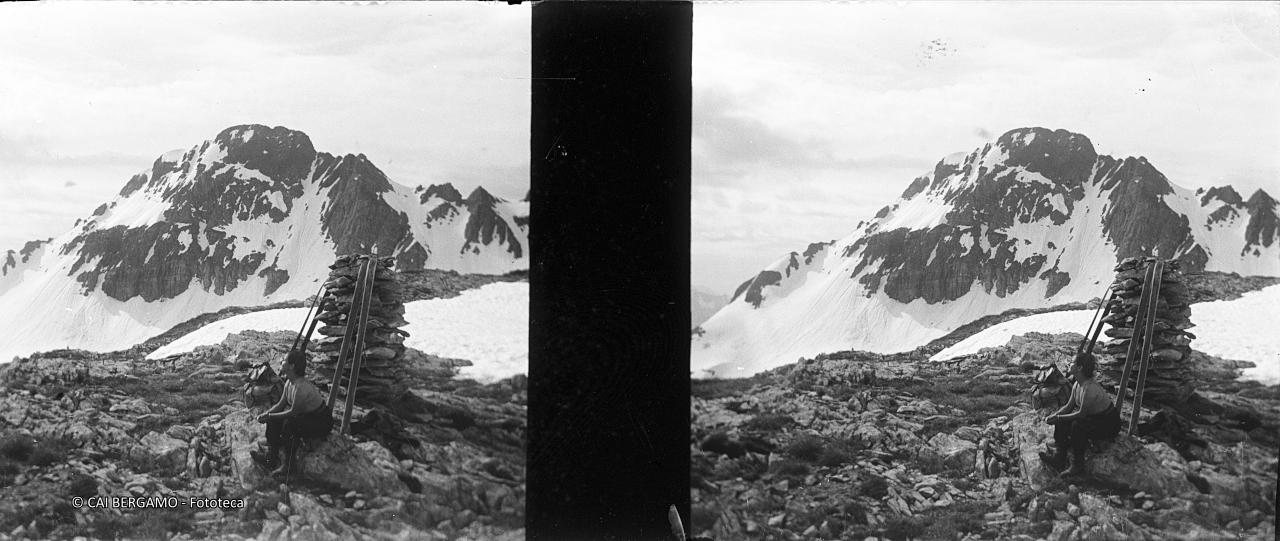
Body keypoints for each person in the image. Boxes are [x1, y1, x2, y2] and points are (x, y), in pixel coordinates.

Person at [250, 350, 332, 477]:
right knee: (273, 420)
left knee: (291, 426)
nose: (281, 362)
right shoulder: (289, 382)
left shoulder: (301, 387)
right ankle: (271, 457)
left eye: (284, 360)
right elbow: (280, 405)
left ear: (292, 366)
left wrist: (270, 416)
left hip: (320, 420)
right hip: (307, 415)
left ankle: (288, 466)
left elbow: (293, 412)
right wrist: (267, 414)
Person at [1040, 352, 1121, 477]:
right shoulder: (1078, 383)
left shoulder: (1090, 388)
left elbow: (1081, 414)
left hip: (1108, 423)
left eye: (1072, 362)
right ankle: (1059, 456)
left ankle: (1078, 465)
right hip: (1094, 417)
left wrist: (1059, 418)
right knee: (1063, 419)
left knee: (1077, 426)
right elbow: (1068, 407)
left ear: (1079, 368)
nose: (1069, 364)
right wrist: (1055, 416)